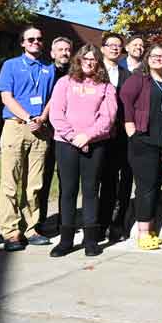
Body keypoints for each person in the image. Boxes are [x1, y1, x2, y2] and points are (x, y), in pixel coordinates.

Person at [47, 45, 117, 258]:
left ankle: (90, 240)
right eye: (85, 58)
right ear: (78, 60)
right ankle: (65, 240)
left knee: (90, 190)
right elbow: (56, 113)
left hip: (94, 145)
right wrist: (73, 137)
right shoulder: (64, 83)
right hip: (66, 143)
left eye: (93, 59)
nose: (89, 62)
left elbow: (108, 117)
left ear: (98, 62)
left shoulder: (105, 86)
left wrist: (87, 136)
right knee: (67, 191)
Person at [0, 25, 58, 251]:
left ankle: (31, 228)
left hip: (40, 129)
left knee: (35, 184)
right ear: (22, 42)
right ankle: (11, 232)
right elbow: (6, 97)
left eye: (39, 39)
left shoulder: (48, 68)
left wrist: (42, 117)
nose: (35, 42)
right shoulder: (10, 65)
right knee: (11, 182)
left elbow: (52, 97)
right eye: (30, 39)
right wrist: (29, 116)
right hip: (16, 126)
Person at [120, 43, 162, 251]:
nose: (158, 59)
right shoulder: (139, 79)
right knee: (146, 187)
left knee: (155, 186)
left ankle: (150, 229)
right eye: (154, 55)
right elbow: (125, 98)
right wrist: (130, 127)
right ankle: (143, 233)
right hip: (143, 140)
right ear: (147, 58)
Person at [98, 32, 134, 243]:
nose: (114, 48)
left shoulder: (127, 75)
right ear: (102, 48)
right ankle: (98, 223)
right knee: (101, 181)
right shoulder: (94, 70)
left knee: (119, 181)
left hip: (120, 134)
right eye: (110, 45)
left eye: (118, 46)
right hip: (97, 135)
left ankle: (116, 224)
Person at [37, 35, 73, 236]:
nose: (64, 53)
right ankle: (39, 222)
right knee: (43, 178)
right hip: (46, 131)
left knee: (66, 181)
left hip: (67, 134)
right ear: (52, 53)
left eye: (67, 49)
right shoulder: (45, 72)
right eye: (60, 49)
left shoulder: (76, 74)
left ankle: (64, 222)